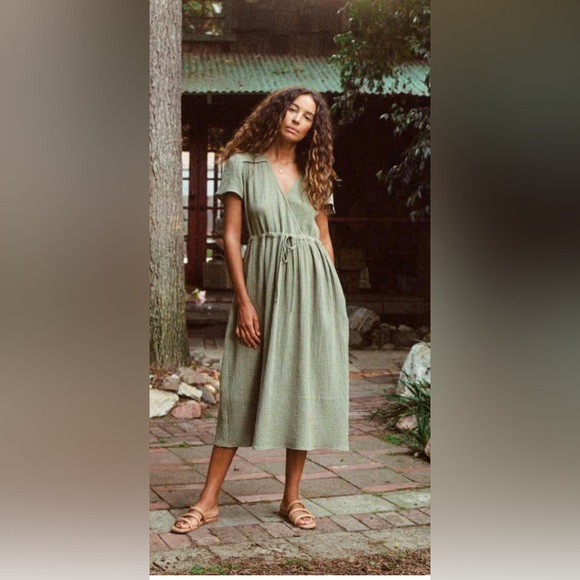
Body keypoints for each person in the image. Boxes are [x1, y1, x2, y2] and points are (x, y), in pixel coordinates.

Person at [172, 87, 349, 534]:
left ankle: (292, 497)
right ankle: (208, 500)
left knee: (303, 386)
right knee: (240, 384)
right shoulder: (242, 165)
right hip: (263, 286)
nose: (297, 119)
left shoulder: (316, 172)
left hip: (313, 289)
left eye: (307, 116)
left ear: (313, 129)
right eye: (292, 109)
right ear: (277, 111)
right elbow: (232, 236)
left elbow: (323, 237)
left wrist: (330, 299)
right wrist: (244, 299)